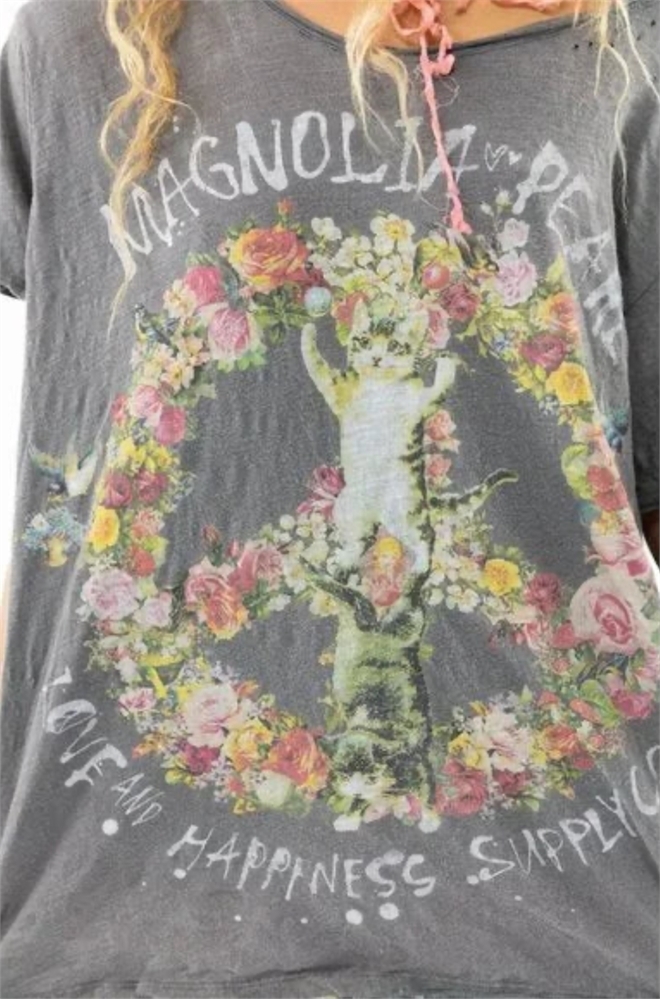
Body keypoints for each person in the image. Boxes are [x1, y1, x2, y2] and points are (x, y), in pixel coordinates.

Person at [0, 0, 658, 996]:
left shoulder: (626, 44)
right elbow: (77, 410)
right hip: (129, 938)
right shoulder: (87, 35)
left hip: (592, 930)